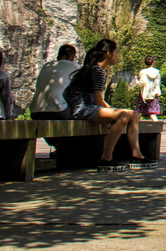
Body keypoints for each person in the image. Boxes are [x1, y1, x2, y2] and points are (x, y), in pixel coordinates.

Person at [63, 39, 156, 171]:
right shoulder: (96, 71)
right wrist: (114, 111)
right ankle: (106, 158)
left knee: (134, 114)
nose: (116, 55)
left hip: (88, 107)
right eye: (116, 52)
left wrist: (112, 110)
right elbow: (98, 101)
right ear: (108, 53)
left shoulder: (95, 69)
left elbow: (98, 101)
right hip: (81, 109)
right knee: (123, 116)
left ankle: (137, 155)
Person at [30, 44, 79, 120]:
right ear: (72, 57)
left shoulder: (46, 66)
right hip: (57, 111)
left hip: (35, 112)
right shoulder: (75, 66)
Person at [135, 56, 162, 121]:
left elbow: (142, 82)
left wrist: (136, 81)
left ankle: (136, 128)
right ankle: (157, 128)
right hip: (153, 94)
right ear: (153, 62)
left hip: (144, 94)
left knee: (139, 112)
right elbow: (157, 83)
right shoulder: (157, 72)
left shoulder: (143, 72)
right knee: (152, 113)